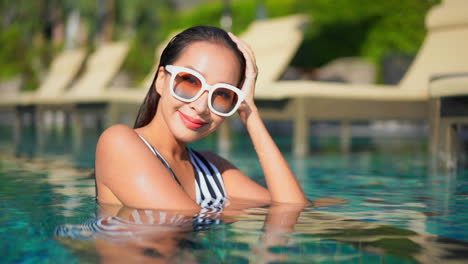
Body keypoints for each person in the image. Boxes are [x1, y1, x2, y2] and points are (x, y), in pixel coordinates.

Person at [95, 25, 308, 211]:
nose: (201, 106)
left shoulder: (212, 169)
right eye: (190, 81)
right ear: (161, 80)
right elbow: (181, 221)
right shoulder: (118, 143)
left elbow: (292, 208)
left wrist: (249, 112)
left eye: (223, 94)